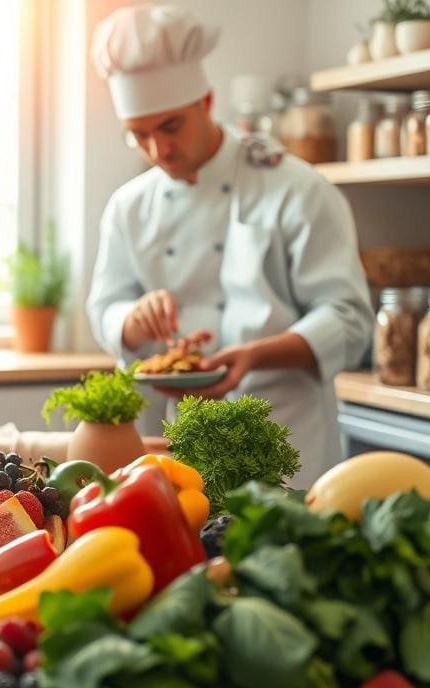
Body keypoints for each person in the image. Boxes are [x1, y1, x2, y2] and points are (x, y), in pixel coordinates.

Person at [86, 3, 374, 488]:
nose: (158, 151)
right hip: (168, 443)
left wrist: (254, 355)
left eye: (170, 127)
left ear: (205, 100)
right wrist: (131, 321)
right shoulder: (128, 206)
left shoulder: (296, 189)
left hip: (283, 439)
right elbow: (104, 310)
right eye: (139, 136)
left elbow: (348, 320)